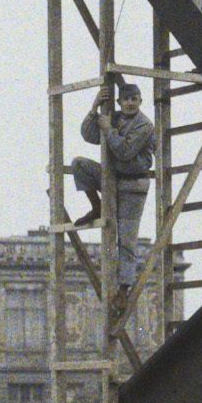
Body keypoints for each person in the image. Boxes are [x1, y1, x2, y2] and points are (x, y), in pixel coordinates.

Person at [71, 81, 155, 294]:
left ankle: (123, 290)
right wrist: (95, 108)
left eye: (134, 99)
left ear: (140, 101)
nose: (129, 103)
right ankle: (96, 206)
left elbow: (125, 151)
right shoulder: (115, 117)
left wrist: (108, 130)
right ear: (119, 101)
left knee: (126, 239)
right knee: (79, 165)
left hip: (133, 185)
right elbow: (89, 135)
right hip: (112, 178)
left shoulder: (144, 124)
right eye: (126, 99)